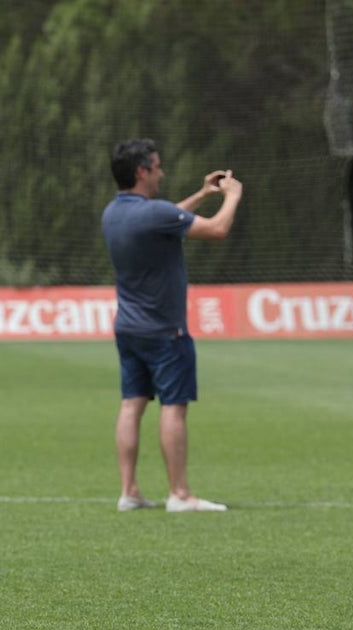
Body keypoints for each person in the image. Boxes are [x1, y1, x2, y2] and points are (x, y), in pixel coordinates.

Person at [101, 138, 242, 512]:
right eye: (158, 166)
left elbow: (167, 218)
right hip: (165, 331)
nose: (162, 172)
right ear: (142, 171)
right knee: (173, 408)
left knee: (131, 404)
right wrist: (231, 195)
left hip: (128, 328)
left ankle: (128, 491)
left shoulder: (114, 213)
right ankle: (180, 493)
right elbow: (216, 230)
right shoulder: (154, 214)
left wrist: (201, 193)